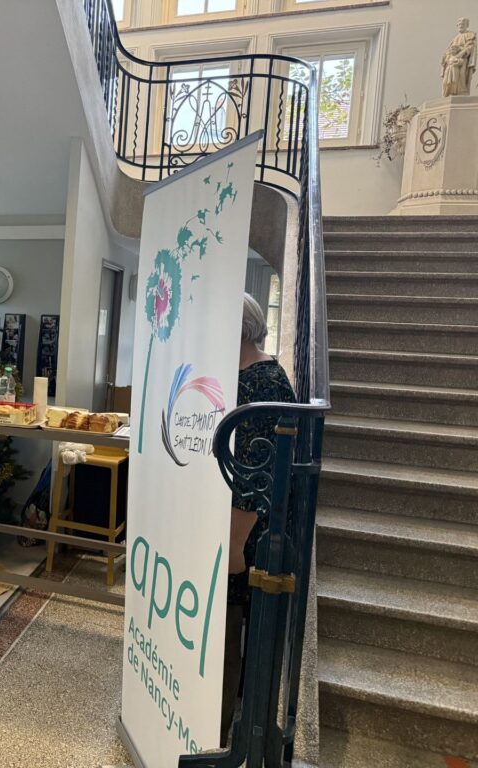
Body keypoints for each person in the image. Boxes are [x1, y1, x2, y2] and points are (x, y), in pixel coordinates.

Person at [220, 293, 296, 746]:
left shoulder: (263, 384)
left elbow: (255, 475)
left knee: (228, 633)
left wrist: (233, 546)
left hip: (244, 535)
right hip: (234, 527)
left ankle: (217, 732)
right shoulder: (244, 375)